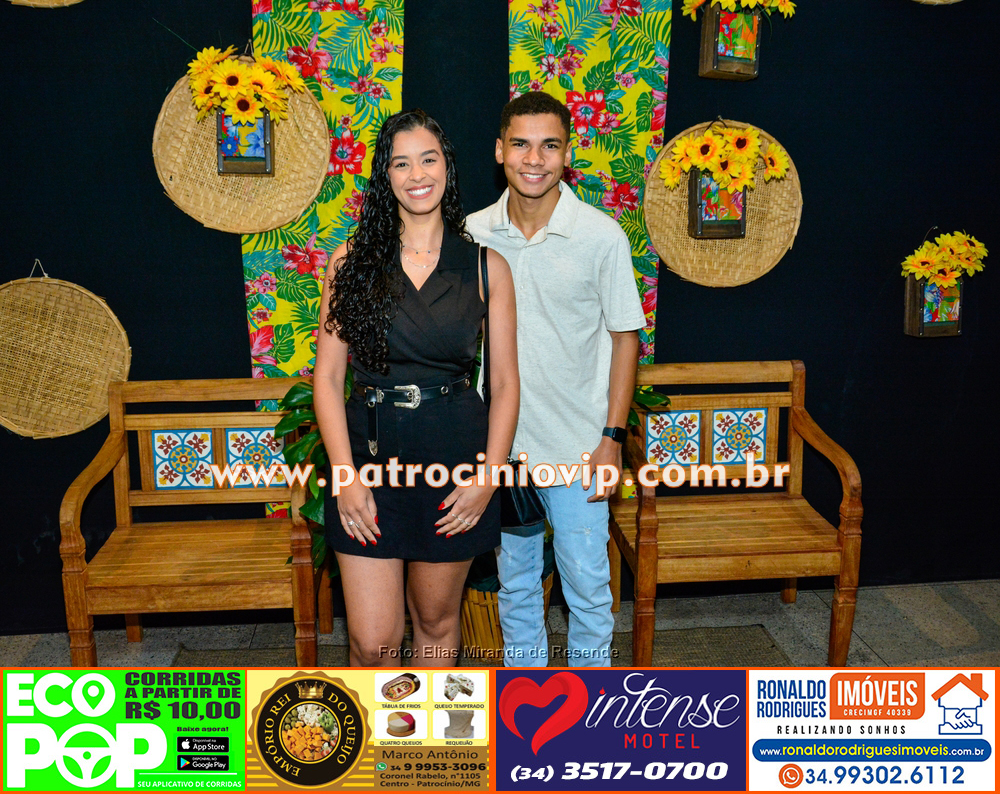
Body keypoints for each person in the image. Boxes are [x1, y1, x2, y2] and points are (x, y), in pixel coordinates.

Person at [314, 109, 518, 667]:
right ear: (386, 176)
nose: (417, 174)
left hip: (453, 462)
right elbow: (328, 378)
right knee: (372, 641)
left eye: (428, 159)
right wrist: (345, 477)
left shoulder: (486, 267)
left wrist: (488, 478)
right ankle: (370, 726)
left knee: (435, 622)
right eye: (401, 164)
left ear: (447, 167)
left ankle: (423, 726)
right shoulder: (351, 261)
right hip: (367, 459)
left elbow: (504, 383)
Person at [466, 92, 643, 667]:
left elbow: (625, 340)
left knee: (587, 591)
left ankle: (591, 706)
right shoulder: (471, 234)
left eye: (549, 145)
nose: (534, 158)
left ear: (567, 154)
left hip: (577, 450)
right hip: (501, 449)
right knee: (516, 586)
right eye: (520, 144)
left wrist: (611, 439)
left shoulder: (601, 236)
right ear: (500, 150)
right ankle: (528, 694)